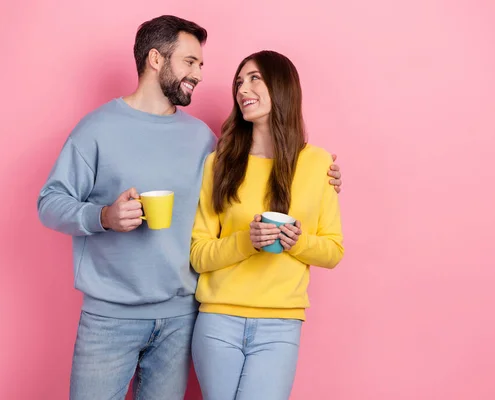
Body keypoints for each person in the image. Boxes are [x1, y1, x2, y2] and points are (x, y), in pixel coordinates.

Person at [37, 15, 342, 400]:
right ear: (155, 59)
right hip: (110, 317)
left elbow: (253, 177)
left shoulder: (204, 140)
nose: (199, 74)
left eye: (200, 64)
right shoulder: (96, 128)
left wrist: (322, 175)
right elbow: (50, 202)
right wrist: (103, 217)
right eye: (190, 62)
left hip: (182, 317)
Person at [189, 50, 345, 400]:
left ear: (282, 86)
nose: (243, 88)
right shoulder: (219, 164)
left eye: (254, 77)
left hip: (281, 325)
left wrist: (298, 242)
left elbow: (333, 250)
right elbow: (198, 255)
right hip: (218, 321)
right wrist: (248, 241)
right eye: (239, 81)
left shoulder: (318, 163)